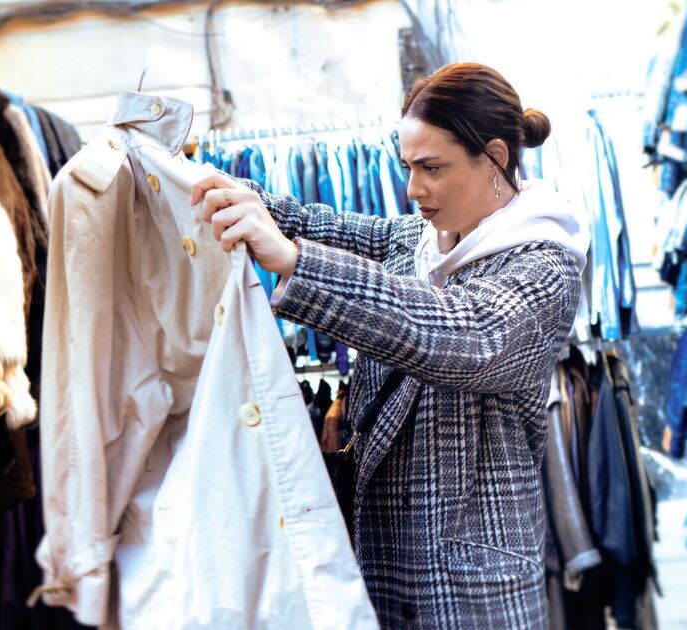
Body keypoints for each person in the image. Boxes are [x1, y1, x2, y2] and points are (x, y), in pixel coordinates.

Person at [191, 63, 589, 629]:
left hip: (472, 594)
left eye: (432, 168)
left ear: (495, 158)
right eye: (408, 167)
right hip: (384, 568)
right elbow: (318, 223)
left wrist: (296, 264)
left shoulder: (544, 263)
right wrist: (211, 185)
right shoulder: (422, 242)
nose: (413, 189)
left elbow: (462, 335)